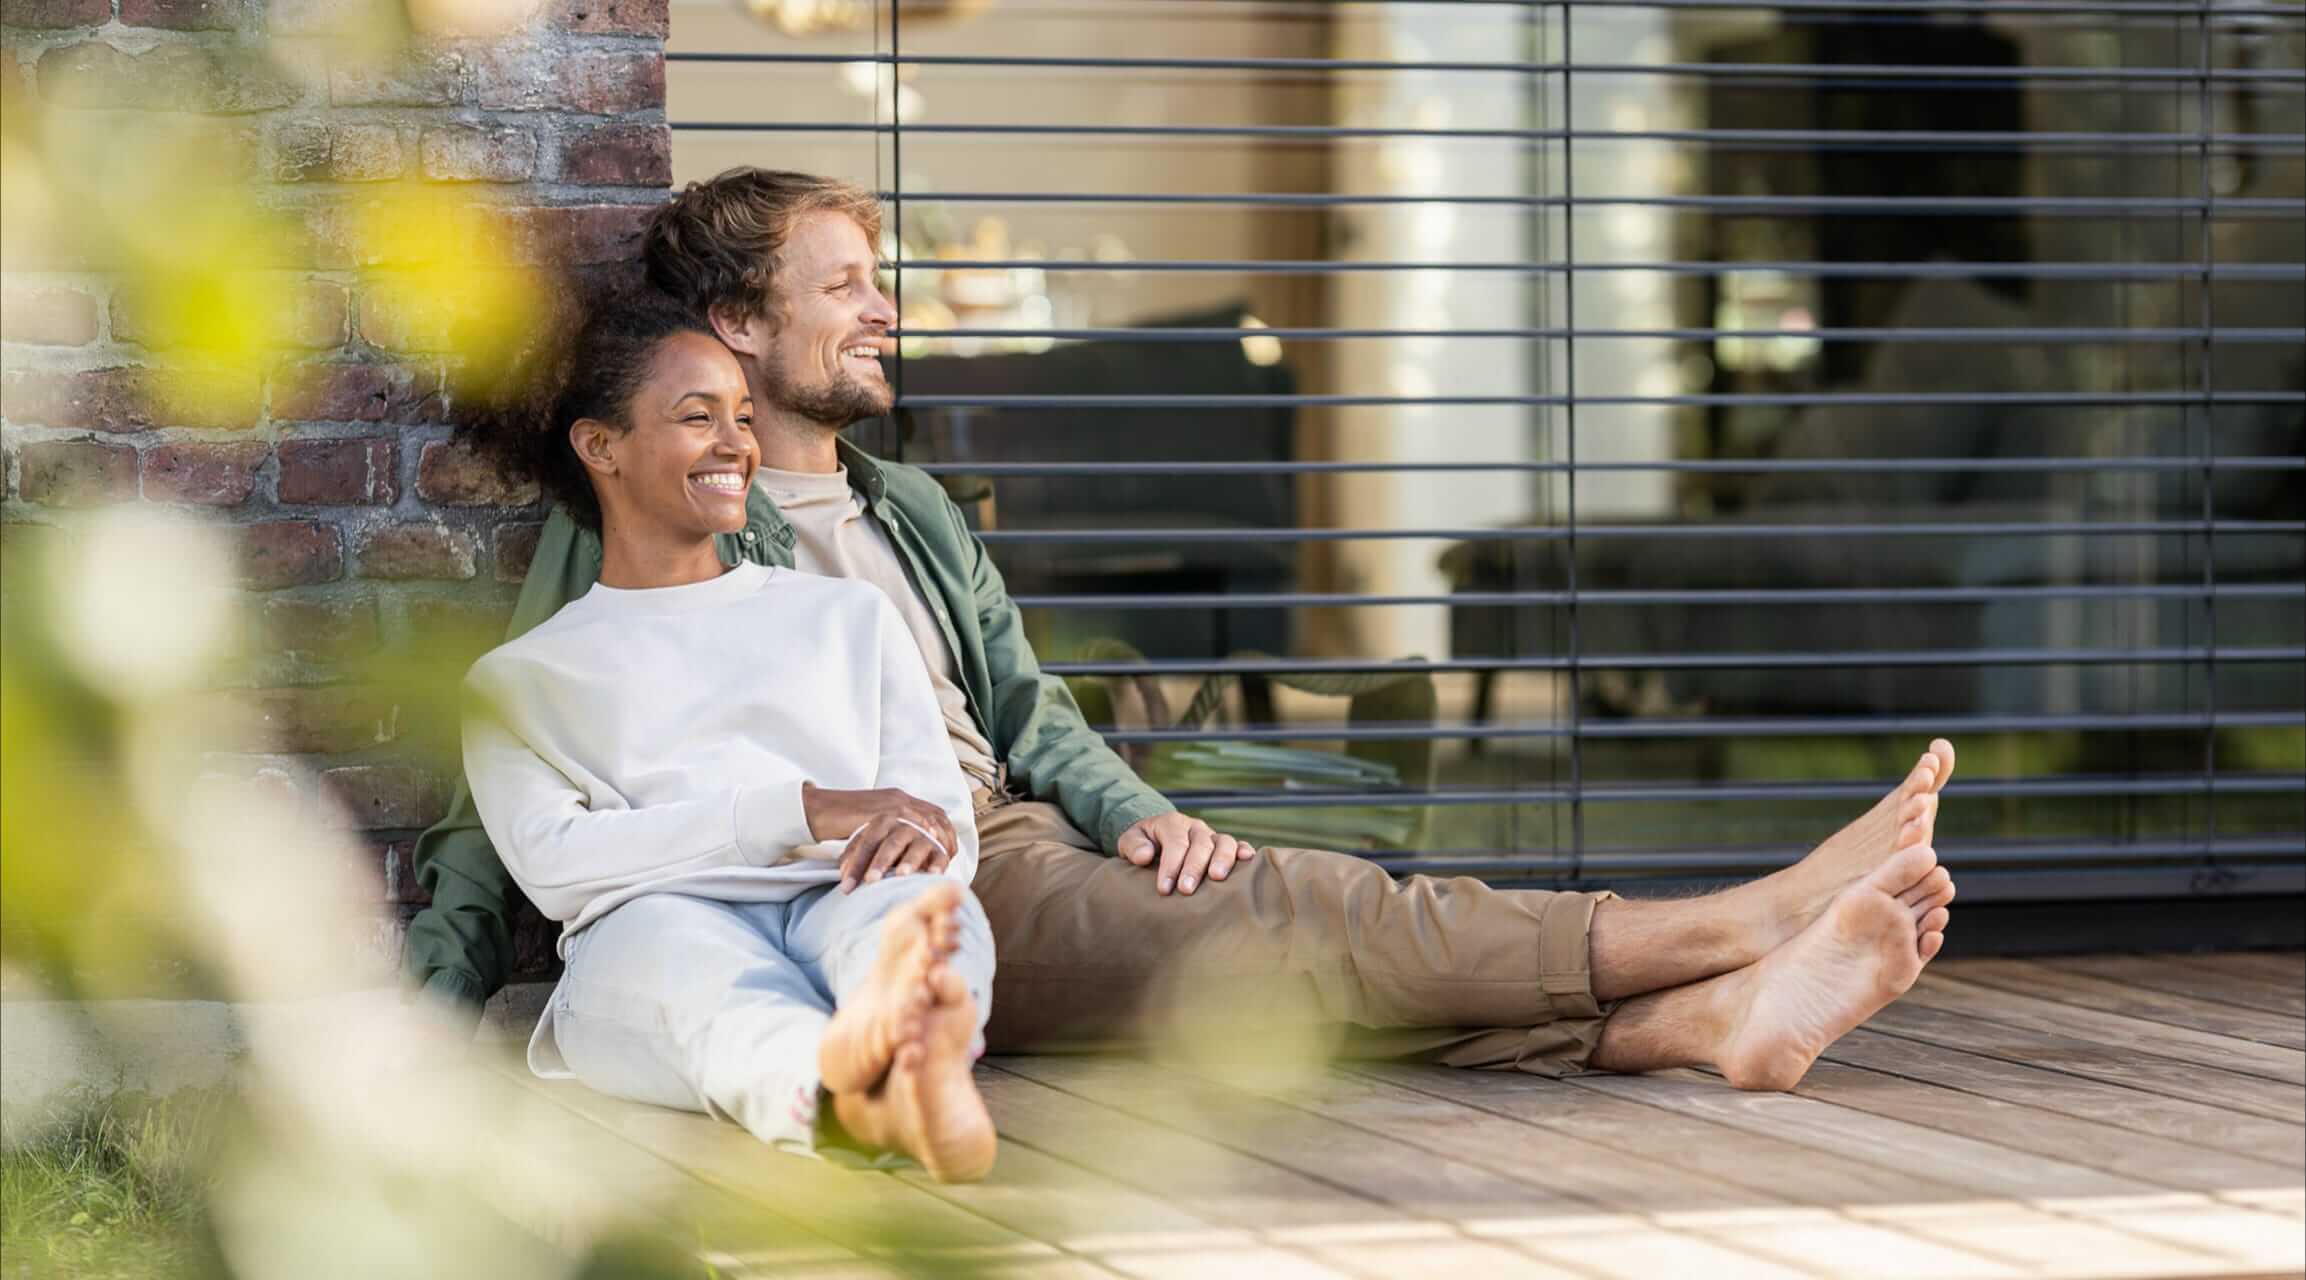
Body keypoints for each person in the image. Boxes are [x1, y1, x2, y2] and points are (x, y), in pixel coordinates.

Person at [407, 167, 1958, 1092]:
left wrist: (1138, 815)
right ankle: (1723, 928)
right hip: (882, 873)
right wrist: (423, 1007)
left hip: (1004, 827)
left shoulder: (908, 508)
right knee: (1307, 917)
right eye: (848, 286)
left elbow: (1028, 711)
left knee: (1249, 974)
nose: (885, 309)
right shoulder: (654, 516)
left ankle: (1695, 1029)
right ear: (737, 327)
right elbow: (517, 774)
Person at [455, 288, 997, 1180]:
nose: (738, 445)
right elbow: (557, 866)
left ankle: (914, 1052)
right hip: (654, 930)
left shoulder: (847, 618)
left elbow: (937, 813)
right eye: (697, 417)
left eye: (742, 416)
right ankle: (849, 1092)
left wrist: (925, 836)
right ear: (601, 447)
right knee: (698, 975)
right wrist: (798, 810)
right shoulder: (521, 681)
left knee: (919, 913)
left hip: (842, 895)